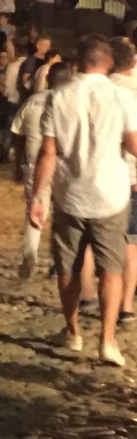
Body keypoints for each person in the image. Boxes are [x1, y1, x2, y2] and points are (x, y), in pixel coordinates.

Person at [29, 35, 137, 366]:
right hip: (111, 192)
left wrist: (37, 195)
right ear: (108, 63)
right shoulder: (121, 96)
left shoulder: (58, 97)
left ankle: (72, 329)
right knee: (111, 267)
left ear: (79, 61)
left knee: (70, 266)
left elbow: (48, 152)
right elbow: (133, 144)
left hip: (70, 190)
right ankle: (107, 339)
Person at [12, 61, 71, 278]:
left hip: (34, 164)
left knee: (34, 211)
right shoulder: (70, 103)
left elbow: (18, 134)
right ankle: (59, 262)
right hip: (63, 166)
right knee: (62, 215)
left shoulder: (32, 102)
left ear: (47, 80)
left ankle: (30, 255)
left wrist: (19, 163)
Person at [107, 38, 137, 326]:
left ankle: (95, 296)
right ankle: (126, 305)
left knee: (105, 242)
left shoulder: (105, 90)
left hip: (109, 175)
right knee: (131, 243)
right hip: (132, 176)